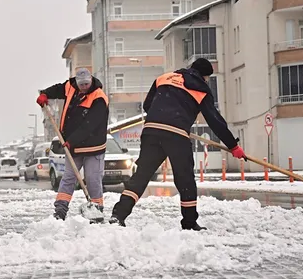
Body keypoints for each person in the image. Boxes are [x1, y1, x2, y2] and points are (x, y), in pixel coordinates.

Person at [110, 58, 246, 230]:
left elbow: (147, 105)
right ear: (205, 77)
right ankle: (189, 223)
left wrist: (162, 117)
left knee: (141, 176)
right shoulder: (201, 88)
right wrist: (233, 146)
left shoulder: (165, 78)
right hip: (176, 135)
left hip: (151, 131)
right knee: (185, 179)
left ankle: (118, 215)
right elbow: (215, 121)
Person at [36, 67, 109, 221]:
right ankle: (60, 209)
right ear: (77, 82)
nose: (84, 87)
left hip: (93, 147)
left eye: (86, 84)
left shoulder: (99, 98)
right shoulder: (70, 87)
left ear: (91, 80)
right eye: (81, 84)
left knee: (93, 179)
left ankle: (96, 210)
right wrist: (45, 94)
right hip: (73, 146)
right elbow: (58, 89)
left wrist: (71, 140)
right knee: (68, 177)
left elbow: (90, 125)